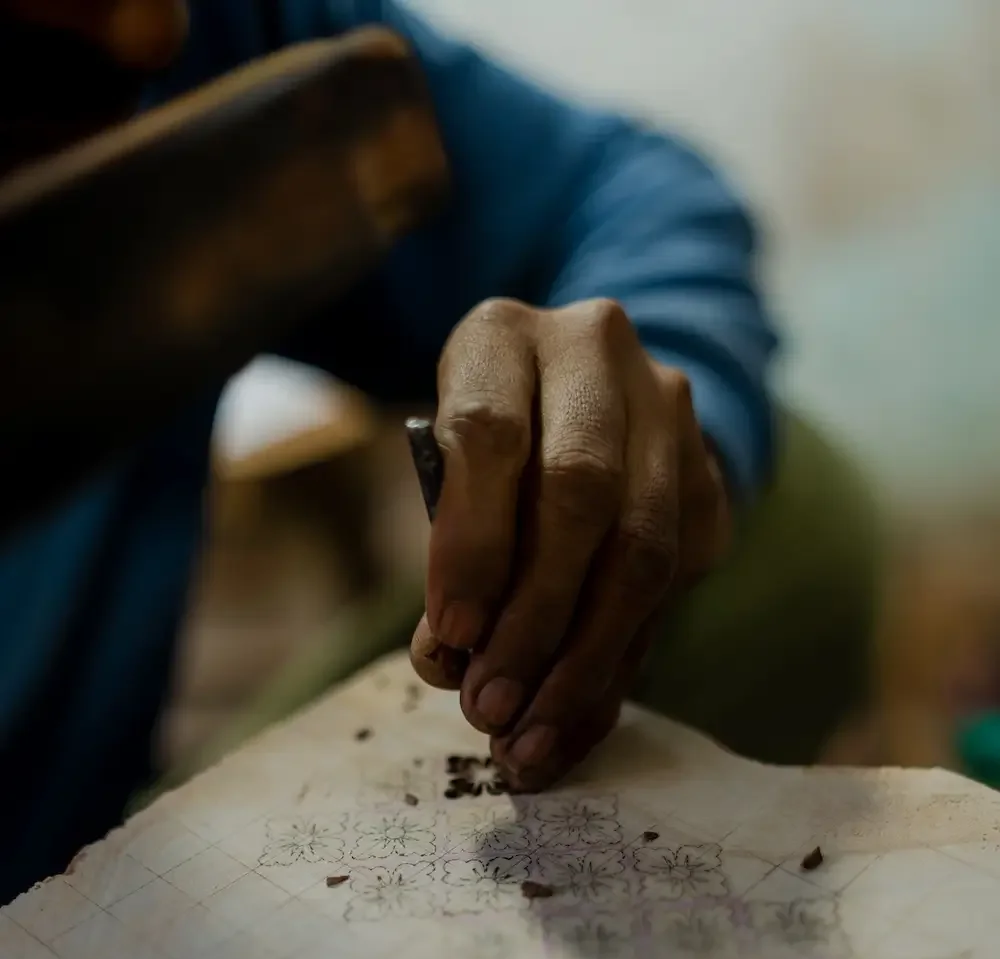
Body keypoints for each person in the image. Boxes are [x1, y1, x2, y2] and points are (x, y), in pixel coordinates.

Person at [0, 1, 875, 908]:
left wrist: (628, 406)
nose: (150, 31)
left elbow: (621, 186)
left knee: (763, 500)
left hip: (82, 831)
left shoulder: (174, 31)